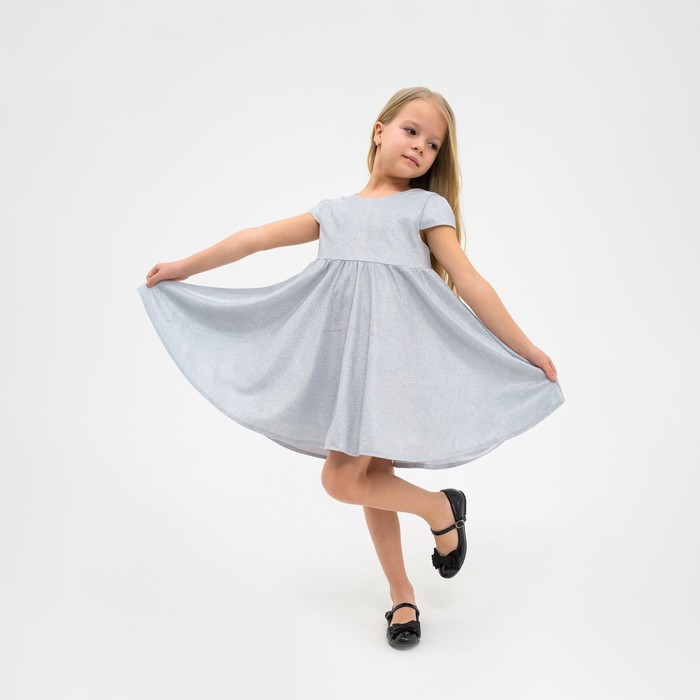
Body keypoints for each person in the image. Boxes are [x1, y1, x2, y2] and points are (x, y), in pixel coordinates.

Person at [137, 86, 565, 650]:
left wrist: (526, 348)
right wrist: (186, 267)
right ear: (379, 130)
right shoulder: (335, 213)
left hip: (396, 364)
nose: (420, 147)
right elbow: (256, 239)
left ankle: (440, 510)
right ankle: (404, 591)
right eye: (411, 131)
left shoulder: (424, 209)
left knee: (343, 480)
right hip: (348, 365)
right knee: (367, 480)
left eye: (433, 144)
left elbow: (469, 282)